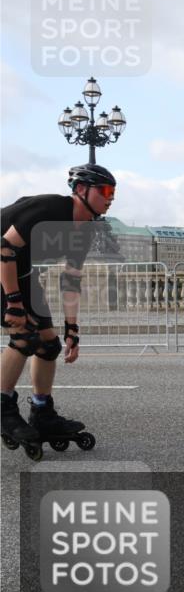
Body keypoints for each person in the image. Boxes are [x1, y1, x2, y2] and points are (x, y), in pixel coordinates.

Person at [1, 163, 116, 460]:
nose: (110, 197)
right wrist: (13, 303)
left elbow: (71, 278)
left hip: (21, 271)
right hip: (3, 263)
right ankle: (3, 407)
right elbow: (5, 248)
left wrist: (72, 329)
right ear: (81, 190)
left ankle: (42, 412)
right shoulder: (48, 210)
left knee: (49, 344)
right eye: (105, 191)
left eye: (113, 192)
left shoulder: (85, 230)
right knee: (24, 338)